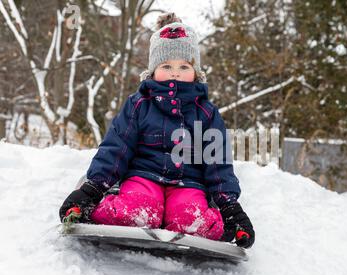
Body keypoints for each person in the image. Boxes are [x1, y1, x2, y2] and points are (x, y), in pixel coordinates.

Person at [59, 13, 255, 248]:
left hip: (189, 184)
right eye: (166, 66)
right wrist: (92, 189)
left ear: (196, 72)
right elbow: (117, 148)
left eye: (184, 66)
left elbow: (217, 163)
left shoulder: (206, 113)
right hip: (143, 177)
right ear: (152, 71)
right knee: (137, 213)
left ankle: (216, 223)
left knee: (191, 221)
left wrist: (229, 206)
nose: (175, 73)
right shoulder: (139, 104)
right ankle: (100, 207)